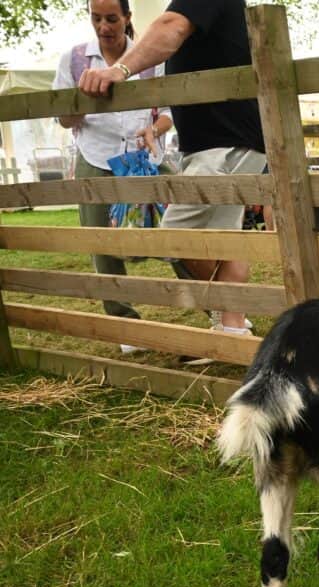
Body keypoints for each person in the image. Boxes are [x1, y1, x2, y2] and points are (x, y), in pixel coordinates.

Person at [78, 0, 267, 345]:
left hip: (223, 144)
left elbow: (171, 27)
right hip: (224, 142)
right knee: (225, 239)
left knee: (174, 237)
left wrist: (119, 70)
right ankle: (232, 328)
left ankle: (231, 311)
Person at [53, 0, 175, 354]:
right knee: (101, 244)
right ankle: (125, 324)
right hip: (96, 158)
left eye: (111, 18)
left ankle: (217, 308)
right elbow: (61, 117)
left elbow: (169, 113)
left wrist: (153, 128)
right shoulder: (74, 59)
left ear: (127, 18)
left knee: (181, 230)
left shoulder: (150, 60)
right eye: (96, 18)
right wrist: (73, 110)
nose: (104, 26)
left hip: (143, 158)